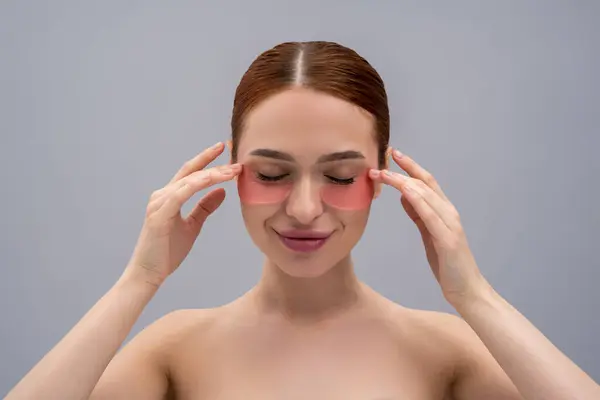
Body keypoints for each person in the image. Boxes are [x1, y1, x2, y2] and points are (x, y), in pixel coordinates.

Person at [6, 41, 599, 400]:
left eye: (340, 176)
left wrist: (474, 296)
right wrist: (139, 279)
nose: (305, 208)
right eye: (271, 174)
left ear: (385, 176)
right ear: (231, 171)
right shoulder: (177, 348)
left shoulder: (444, 350)